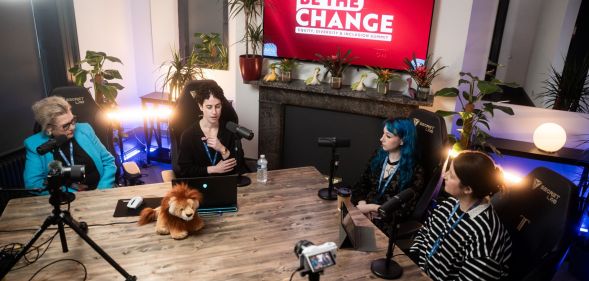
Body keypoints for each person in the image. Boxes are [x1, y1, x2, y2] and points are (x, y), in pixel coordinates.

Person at [409, 151, 512, 281]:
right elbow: (424, 232)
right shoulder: (449, 204)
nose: (444, 175)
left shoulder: (485, 235)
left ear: (468, 189)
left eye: (451, 175)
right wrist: (411, 261)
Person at [24, 96, 117, 194]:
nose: (73, 127)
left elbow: (108, 161)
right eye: (66, 125)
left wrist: (102, 189)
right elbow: (33, 184)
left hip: (100, 189)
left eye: (73, 120)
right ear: (49, 129)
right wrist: (72, 194)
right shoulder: (34, 145)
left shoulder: (85, 129)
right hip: (65, 198)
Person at [350, 118, 424, 234]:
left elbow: (406, 209)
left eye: (388, 136)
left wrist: (374, 208)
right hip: (362, 210)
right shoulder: (378, 155)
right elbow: (361, 184)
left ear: (402, 140)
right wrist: (362, 204)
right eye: (383, 134)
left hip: (385, 223)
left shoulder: (414, 169)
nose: (381, 139)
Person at [175, 80, 239, 177]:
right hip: (198, 185)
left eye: (217, 106)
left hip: (224, 183)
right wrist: (213, 169)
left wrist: (222, 149)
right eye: (209, 107)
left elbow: (235, 168)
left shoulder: (228, 130)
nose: (214, 112)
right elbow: (185, 171)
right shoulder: (188, 135)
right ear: (201, 106)